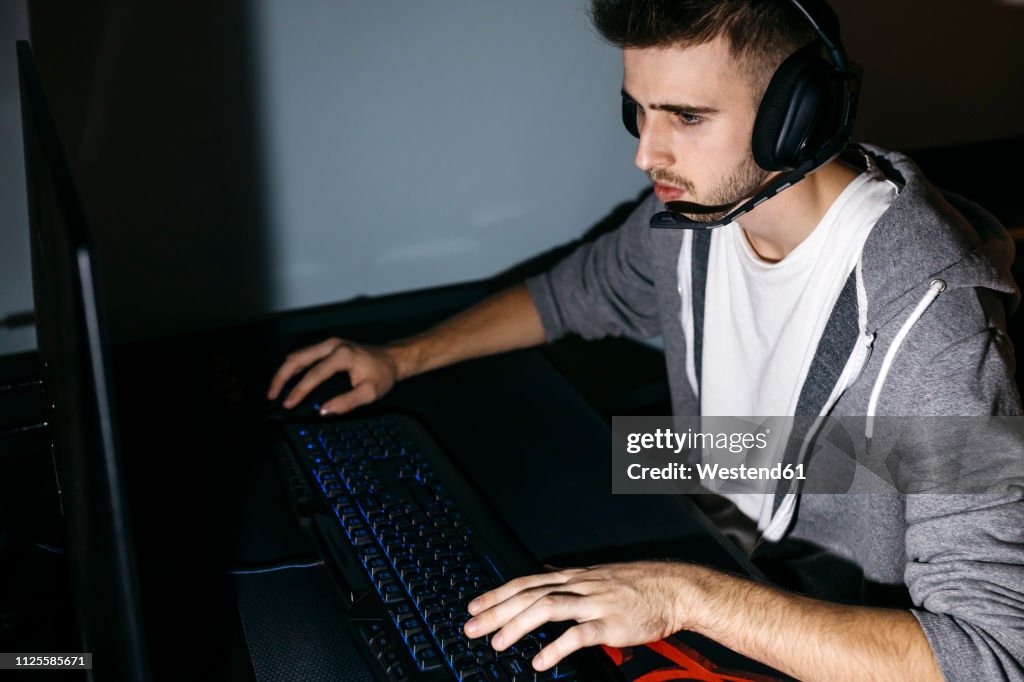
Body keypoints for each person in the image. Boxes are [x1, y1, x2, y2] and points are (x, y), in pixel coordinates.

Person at [267, 1, 1024, 679]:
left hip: (811, 610)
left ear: (800, 116)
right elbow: (573, 294)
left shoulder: (934, 326)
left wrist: (679, 595)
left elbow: (988, 657)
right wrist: (400, 357)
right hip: (702, 503)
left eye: (686, 117)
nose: (646, 154)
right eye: (639, 111)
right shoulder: (694, 221)